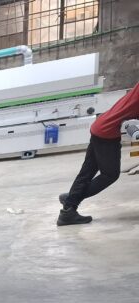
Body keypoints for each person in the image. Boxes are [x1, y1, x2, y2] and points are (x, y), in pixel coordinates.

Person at [58, 81, 139, 226]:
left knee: (87, 172)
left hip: (101, 125)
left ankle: (68, 210)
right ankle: (71, 201)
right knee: (110, 175)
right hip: (107, 131)